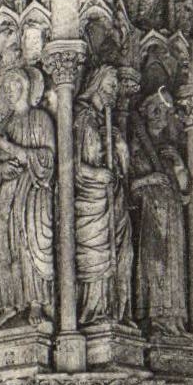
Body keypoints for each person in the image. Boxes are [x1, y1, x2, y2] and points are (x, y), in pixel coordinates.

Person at [0, 65, 56, 327]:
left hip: (33, 191)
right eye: (5, 88)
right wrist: (1, 166)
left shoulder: (40, 119)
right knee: (4, 243)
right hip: (8, 192)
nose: (8, 91)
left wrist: (13, 149)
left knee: (29, 242)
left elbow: (49, 158)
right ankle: (10, 304)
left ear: (25, 87)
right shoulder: (5, 123)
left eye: (12, 86)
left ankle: (36, 303)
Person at [74, 64, 133, 324]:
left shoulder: (104, 121)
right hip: (90, 198)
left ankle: (114, 311)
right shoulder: (82, 117)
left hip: (112, 194)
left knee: (120, 251)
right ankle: (94, 311)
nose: (115, 91)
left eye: (118, 86)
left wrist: (119, 146)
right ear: (97, 83)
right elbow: (71, 164)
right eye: (111, 85)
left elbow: (123, 168)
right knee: (97, 253)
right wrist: (95, 175)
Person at [130, 87, 189, 333]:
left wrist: (178, 163)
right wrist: (151, 179)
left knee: (174, 266)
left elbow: (185, 193)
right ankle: (154, 320)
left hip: (172, 217)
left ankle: (173, 320)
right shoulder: (137, 147)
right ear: (144, 112)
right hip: (149, 216)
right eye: (154, 108)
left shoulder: (167, 150)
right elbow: (129, 185)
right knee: (154, 265)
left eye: (164, 110)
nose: (159, 114)